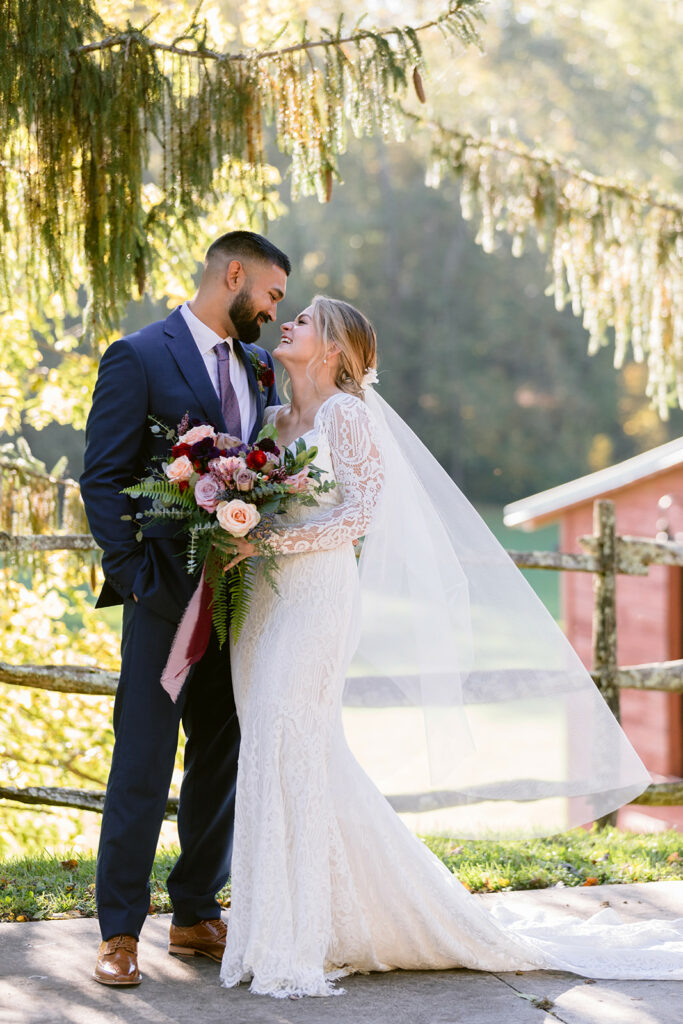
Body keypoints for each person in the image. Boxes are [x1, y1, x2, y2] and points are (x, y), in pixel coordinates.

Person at [215, 296, 683, 998]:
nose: (289, 325)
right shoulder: (275, 420)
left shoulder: (346, 414)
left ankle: (298, 938)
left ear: (335, 350)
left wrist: (271, 538)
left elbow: (360, 512)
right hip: (263, 604)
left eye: (305, 320)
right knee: (272, 748)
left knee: (292, 736)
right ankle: (274, 926)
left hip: (316, 599)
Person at [80, 230, 289, 986]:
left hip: (240, 596)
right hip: (164, 596)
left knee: (219, 756)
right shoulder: (137, 355)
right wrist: (134, 573)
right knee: (141, 760)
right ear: (231, 274)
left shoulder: (261, 366)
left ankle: (196, 913)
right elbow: (102, 476)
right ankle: (118, 934)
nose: (272, 309)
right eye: (269, 293)